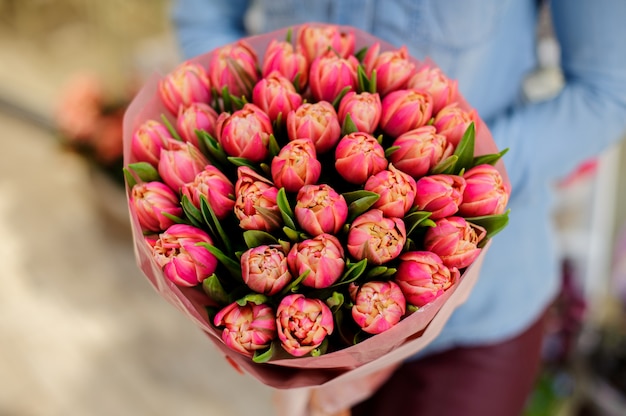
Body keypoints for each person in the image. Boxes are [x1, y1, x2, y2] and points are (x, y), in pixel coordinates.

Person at [169, 1, 626, 414]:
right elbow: (204, 16)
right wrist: (236, 120)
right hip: (272, 286)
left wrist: (460, 187)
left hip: (475, 327)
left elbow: (606, 93)